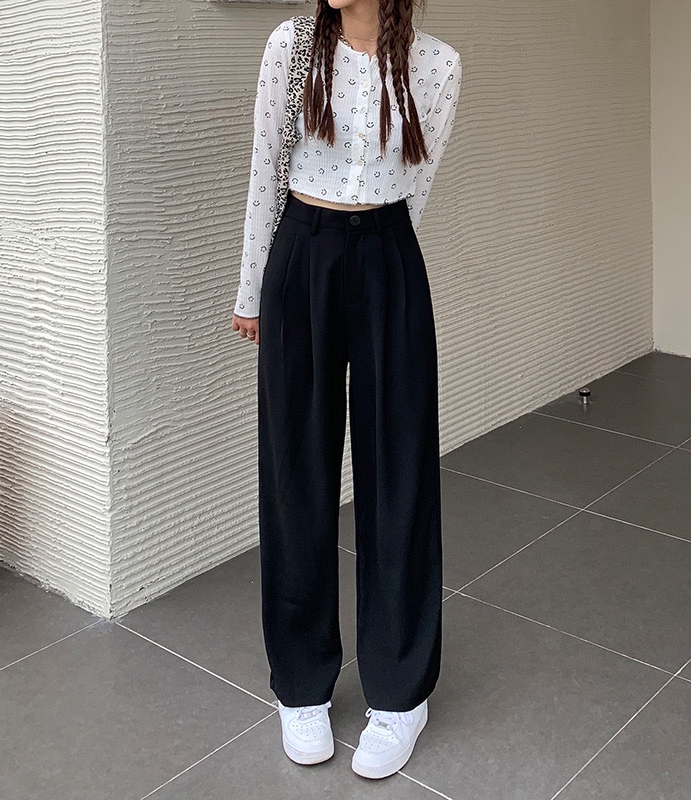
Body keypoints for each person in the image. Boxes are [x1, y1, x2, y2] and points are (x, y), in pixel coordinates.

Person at [230, 0, 462, 780]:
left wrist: (378, 260)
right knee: (295, 471)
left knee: (400, 471)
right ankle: (301, 683)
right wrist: (253, 290)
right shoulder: (293, 47)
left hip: (389, 255)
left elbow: (419, 185)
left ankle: (400, 694)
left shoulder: (437, 66)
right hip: (303, 253)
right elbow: (266, 168)